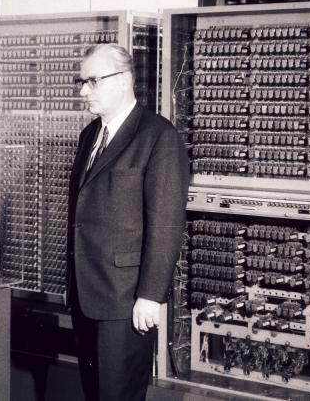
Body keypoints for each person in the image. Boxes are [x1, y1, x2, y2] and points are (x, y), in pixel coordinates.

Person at [66, 43, 190, 401]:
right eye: (82, 82)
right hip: (86, 294)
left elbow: (166, 223)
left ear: (123, 80)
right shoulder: (89, 135)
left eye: (92, 81)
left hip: (126, 300)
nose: (83, 91)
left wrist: (150, 295)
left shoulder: (158, 136)